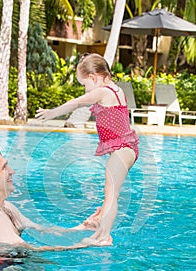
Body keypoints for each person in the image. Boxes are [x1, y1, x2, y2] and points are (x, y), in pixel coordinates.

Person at [35, 53, 139, 246]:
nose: (85, 88)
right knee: (111, 193)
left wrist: (52, 113)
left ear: (93, 78)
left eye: (84, 84)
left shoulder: (103, 91)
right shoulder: (116, 90)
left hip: (122, 149)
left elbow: (77, 102)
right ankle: (99, 224)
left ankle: (103, 237)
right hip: (127, 148)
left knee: (111, 194)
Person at [0, 146, 89, 260]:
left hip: (15, 263)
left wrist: (82, 227)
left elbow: (41, 229)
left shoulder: (4, 206)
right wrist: (87, 244)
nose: (12, 171)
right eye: (4, 168)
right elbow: (31, 250)